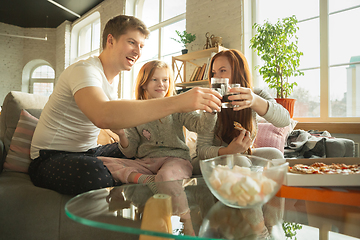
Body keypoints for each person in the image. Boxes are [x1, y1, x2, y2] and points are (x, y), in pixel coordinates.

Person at [28, 15, 221, 195]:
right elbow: (102, 115)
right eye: (132, 42)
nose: (137, 51)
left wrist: (123, 135)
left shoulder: (113, 81)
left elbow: (125, 130)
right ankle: (149, 179)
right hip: (50, 157)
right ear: (110, 40)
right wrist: (178, 101)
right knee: (96, 174)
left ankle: (157, 177)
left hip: (88, 152)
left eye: (141, 46)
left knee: (136, 151)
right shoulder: (84, 71)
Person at [99, 60, 216, 185]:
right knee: (101, 163)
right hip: (146, 163)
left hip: (176, 160)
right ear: (143, 84)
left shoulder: (177, 106)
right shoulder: (134, 111)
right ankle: (148, 180)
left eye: (165, 80)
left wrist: (211, 110)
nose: (161, 84)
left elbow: (202, 127)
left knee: (166, 177)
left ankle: (156, 180)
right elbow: (130, 152)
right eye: (154, 80)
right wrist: (122, 134)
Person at [192, 49, 291, 174]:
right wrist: (229, 151)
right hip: (210, 159)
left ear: (239, 72)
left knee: (275, 155)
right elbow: (201, 150)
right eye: (213, 73)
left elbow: (284, 120)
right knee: (239, 162)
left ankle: (266, 193)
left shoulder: (256, 94)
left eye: (222, 71)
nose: (216, 78)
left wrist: (255, 101)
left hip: (241, 154)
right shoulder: (211, 100)